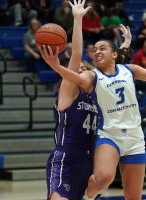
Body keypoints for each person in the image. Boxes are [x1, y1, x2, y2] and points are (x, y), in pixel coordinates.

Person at [38, 18, 146, 200]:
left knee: (134, 196)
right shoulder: (87, 80)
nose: (81, 68)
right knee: (104, 178)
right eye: (94, 50)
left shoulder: (123, 72)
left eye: (102, 49)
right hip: (82, 148)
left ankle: (89, 195)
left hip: (120, 143)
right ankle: (89, 196)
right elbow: (77, 56)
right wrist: (56, 65)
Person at [45, 1, 94, 199]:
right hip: (66, 157)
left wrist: (124, 46)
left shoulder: (95, 95)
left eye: (85, 68)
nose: (81, 69)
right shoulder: (68, 91)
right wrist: (77, 19)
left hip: (89, 160)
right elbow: (76, 54)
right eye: (77, 69)